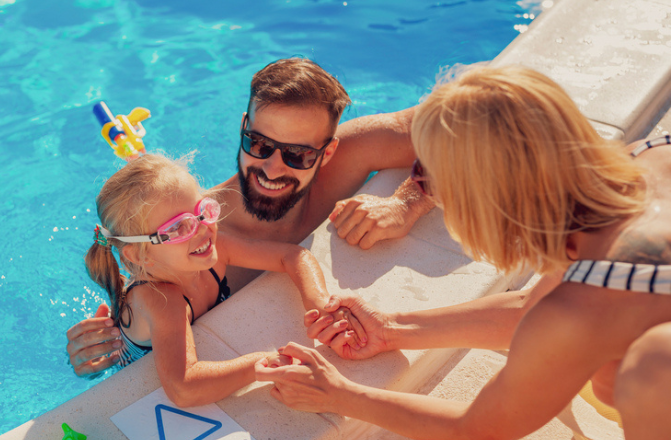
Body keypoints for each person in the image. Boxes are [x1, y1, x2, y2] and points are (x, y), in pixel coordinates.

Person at [255, 65, 671, 439]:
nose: (425, 189)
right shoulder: (651, 155)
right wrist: (392, 329)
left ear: (486, 198)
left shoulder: (580, 312)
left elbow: (479, 427)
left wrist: (339, 394)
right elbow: (539, 304)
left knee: (632, 377)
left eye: (428, 178)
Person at [67, 57, 436, 376]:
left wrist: (411, 200)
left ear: (327, 151)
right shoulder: (198, 234)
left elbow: (475, 118)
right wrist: (100, 353)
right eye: (259, 144)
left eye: (298, 155)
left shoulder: (351, 155)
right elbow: (138, 330)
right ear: (244, 127)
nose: (272, 169)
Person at [84, 154, 361, 407]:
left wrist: (318, 302)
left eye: (202, 211)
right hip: (122, 380)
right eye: (178, 227)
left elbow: (292, 256)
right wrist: (259, 363)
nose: (202, 230)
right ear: (140, 255)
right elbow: (183, 389)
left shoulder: (213, 250)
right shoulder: (160, 299)